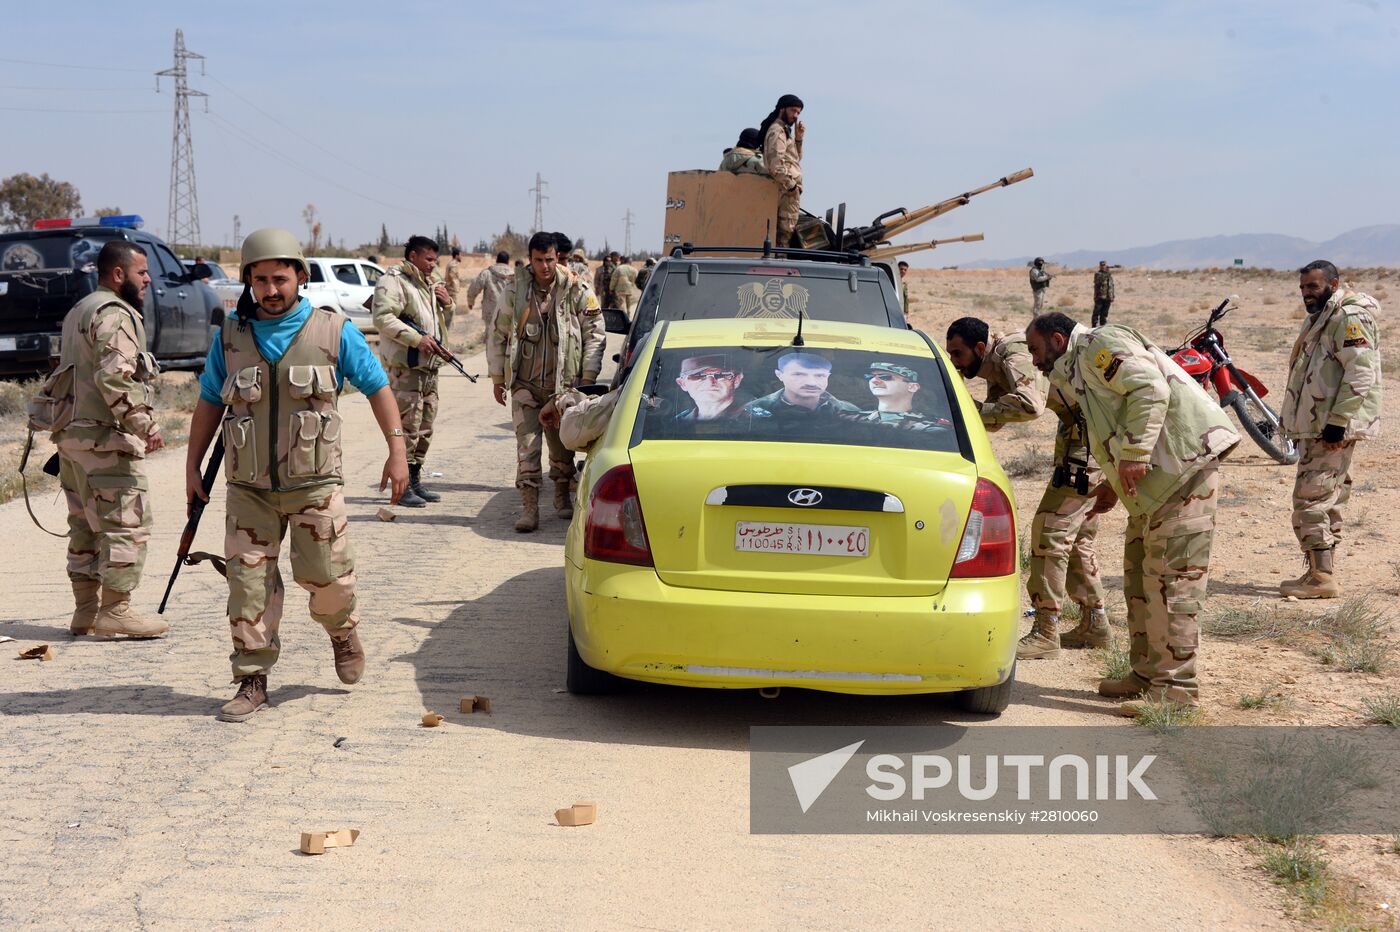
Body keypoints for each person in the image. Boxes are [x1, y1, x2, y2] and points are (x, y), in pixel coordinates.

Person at [184, 228, 409, 723]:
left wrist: (398, 452)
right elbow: (207, 401)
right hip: (250, 491)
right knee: (248, 585)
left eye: (280, 279)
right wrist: (191, 466)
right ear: (247, 281)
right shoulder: (232, 336)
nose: (270, 289)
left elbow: (378, 387)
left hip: (314, 487)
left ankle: (343, 632)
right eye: (259, 279)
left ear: (301, 278)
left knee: (327, 580)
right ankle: (251, 678)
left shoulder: (333, 332)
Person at [1026, 312, 1240, 715]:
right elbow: (1115, 420)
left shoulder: (1097, 346)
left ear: (1057, 339)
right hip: (1153, 485)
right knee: (1141, 578)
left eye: (1037, 350)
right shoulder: (1079, 366)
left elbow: (1149, 388)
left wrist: (1135, 455)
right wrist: (1111, 482)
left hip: (1182, 471)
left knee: (1173, 585)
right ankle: (1146, 676)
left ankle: (1175, 693)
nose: (1035, 362)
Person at [46, 240, 167, 638]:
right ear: (118, 274)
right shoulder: (115, 313)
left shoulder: (80, 310)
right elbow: (114, 377)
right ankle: (115, 610)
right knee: (124, 524)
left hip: (73, 441)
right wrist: (145, 425)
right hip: (105, 441)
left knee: (83, 526)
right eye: (141, 272)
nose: (148, 279)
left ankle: (85, 612)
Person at [1278, 260, 1383, 599]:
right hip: (1319, 424)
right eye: (1303, 288)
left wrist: (1338, 423)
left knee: (1311, 499)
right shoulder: (1322, 318)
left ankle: (1322, 578)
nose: (1307, 294)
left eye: (1313, 287)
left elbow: (1361, 373)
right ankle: (1320, 572)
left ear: (1334, 284)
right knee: (1326, 498)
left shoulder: (1348, 318)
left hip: (1331, 427)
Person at [488, 231, 606, 532]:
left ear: (557, 258)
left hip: (563, 387)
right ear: (530, 259)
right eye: (538, 260)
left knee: (561, 447)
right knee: (527, 447)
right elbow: (499, 333)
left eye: (550, 260)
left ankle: (561, 494)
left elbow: (595, 332)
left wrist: (588, 378)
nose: (544, 267)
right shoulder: (515, 290)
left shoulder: (576, 288)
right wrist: (498, 378)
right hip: (525, 385)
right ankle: (529, 508)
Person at [372, 235, 453, 507]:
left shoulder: (430, 284)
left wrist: (447, 304)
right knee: (407, 427)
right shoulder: (393, 281)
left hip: (429, 368)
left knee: (425, 428)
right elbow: (382, 317)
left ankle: (415, 480)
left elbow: (440, 326)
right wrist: (416, 339)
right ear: (413, 256)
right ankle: (402, 486)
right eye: (428, 259)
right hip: (406, 368)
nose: (433, 265)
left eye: (435, 259)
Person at [944, 316, 1046, 430]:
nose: (953, 362)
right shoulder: (991, 364)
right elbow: (993, 423)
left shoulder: (1013, 352)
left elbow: (1031, 407)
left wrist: (966, 406)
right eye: (951, 354)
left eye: (958, 354)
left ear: (980, 348)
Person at [743, 352, 858, 419]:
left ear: (828, 377)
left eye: (820, 376)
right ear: (779, 375)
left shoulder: (849, 411)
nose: (811, 383)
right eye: (799, 374)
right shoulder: (753, 410)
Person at [760, 94, 804, 246]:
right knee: (783, 238)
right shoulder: (778, 132)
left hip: (788, 192)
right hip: (785, 192)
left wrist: (798, 139)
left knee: (785, 236)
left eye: (798, 112)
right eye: (793, 111)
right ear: (782, 109)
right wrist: (791, 186)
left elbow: (794, 160)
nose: (795, 116)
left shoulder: (784, 131)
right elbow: (776, 166)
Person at [854, 362, 944, 431]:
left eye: (885, 377)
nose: (874, 380)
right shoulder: (852, 417)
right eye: (870, 376)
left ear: (912, 387)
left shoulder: (929, 428)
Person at [674, 354, 749, 419]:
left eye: (721, 375)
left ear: (737, 380)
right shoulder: (676, 424)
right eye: (697, 376)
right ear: (682, 384)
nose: (709, 382)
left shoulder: (754, 421)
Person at [467, 250, 514, 335]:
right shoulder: (514, 276)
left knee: (491, 342)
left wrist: (470, 302)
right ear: (508, 261)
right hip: (509, 314)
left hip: (491, 314)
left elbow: (474, 288)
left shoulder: (487, 273)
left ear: (496, 260)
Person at [1092, 260, 1114, 327]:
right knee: (1096, 312)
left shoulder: (1108, 274)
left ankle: (1102, 326)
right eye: (1101, 265)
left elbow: (1111, 286)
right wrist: (1107, 272)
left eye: (1104, 265)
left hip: (1108, 297)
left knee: (1104, 313)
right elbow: (1100, 281)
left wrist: (1112, 296)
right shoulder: (1098, 274)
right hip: (1100, 297)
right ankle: (1094, 326)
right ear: (1100, 266)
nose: (1103, 267)